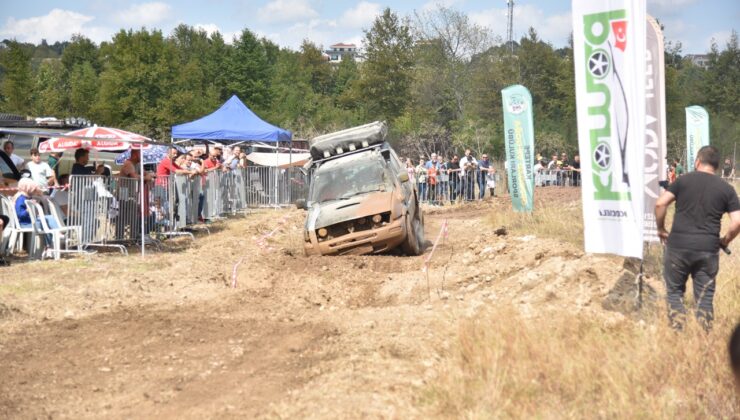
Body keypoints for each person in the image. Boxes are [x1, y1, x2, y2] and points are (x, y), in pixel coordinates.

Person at [655, 145, 740, 330]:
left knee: (674, 293)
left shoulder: (682, 181)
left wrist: (661, 229)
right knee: (705, 297)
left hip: (678, 246)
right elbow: (737, 222)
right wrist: (725, 241)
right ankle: (703, 340)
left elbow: (660, 204)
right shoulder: (727, 189)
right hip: (708, 250)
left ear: (697, 162)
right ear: (717, 167)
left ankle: (678, 334)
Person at [13, 178, 60, 247]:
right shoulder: (21, 199)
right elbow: (20, 215)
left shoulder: (27, 197)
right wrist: (28, 210)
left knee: (49, 218)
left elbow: (40, 194)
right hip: (25, 223)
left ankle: (56, 234)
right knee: (46, 222)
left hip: (30, 221)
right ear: (28, 188)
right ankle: (50, 243)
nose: (34, 191)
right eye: (33, 189)